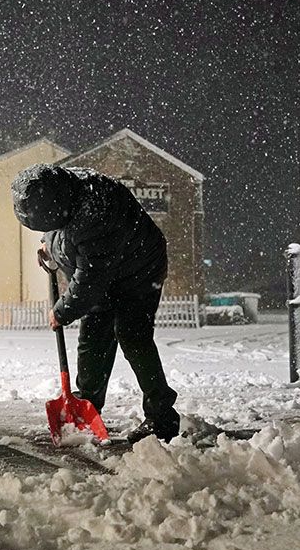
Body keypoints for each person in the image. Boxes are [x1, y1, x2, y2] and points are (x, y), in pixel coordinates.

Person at [12, 163, 181, 443]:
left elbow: (91, 279)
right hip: (105, 271)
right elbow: (61, 228)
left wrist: (62, 311)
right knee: (93, 337)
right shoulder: (62, 191)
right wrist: (48, 243)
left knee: (133, 335)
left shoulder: (98, 212)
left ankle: (162, 417)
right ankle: (87, 405)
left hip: (138, 272)